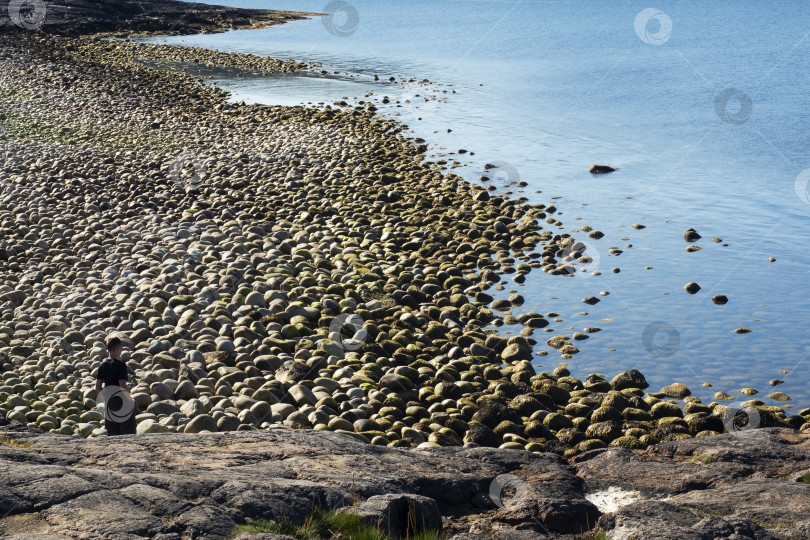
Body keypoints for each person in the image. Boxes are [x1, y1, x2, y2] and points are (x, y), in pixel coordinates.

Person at [95, 333, 136, 435]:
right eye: (120, 348)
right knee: (128, 431)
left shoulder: (102, 365)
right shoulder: (121, 365)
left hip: (109, 402)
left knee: (112, 433)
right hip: (121, 401)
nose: (121, 350)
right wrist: (129, 399)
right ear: (117, 348)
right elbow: (122, 386)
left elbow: (97, 387)